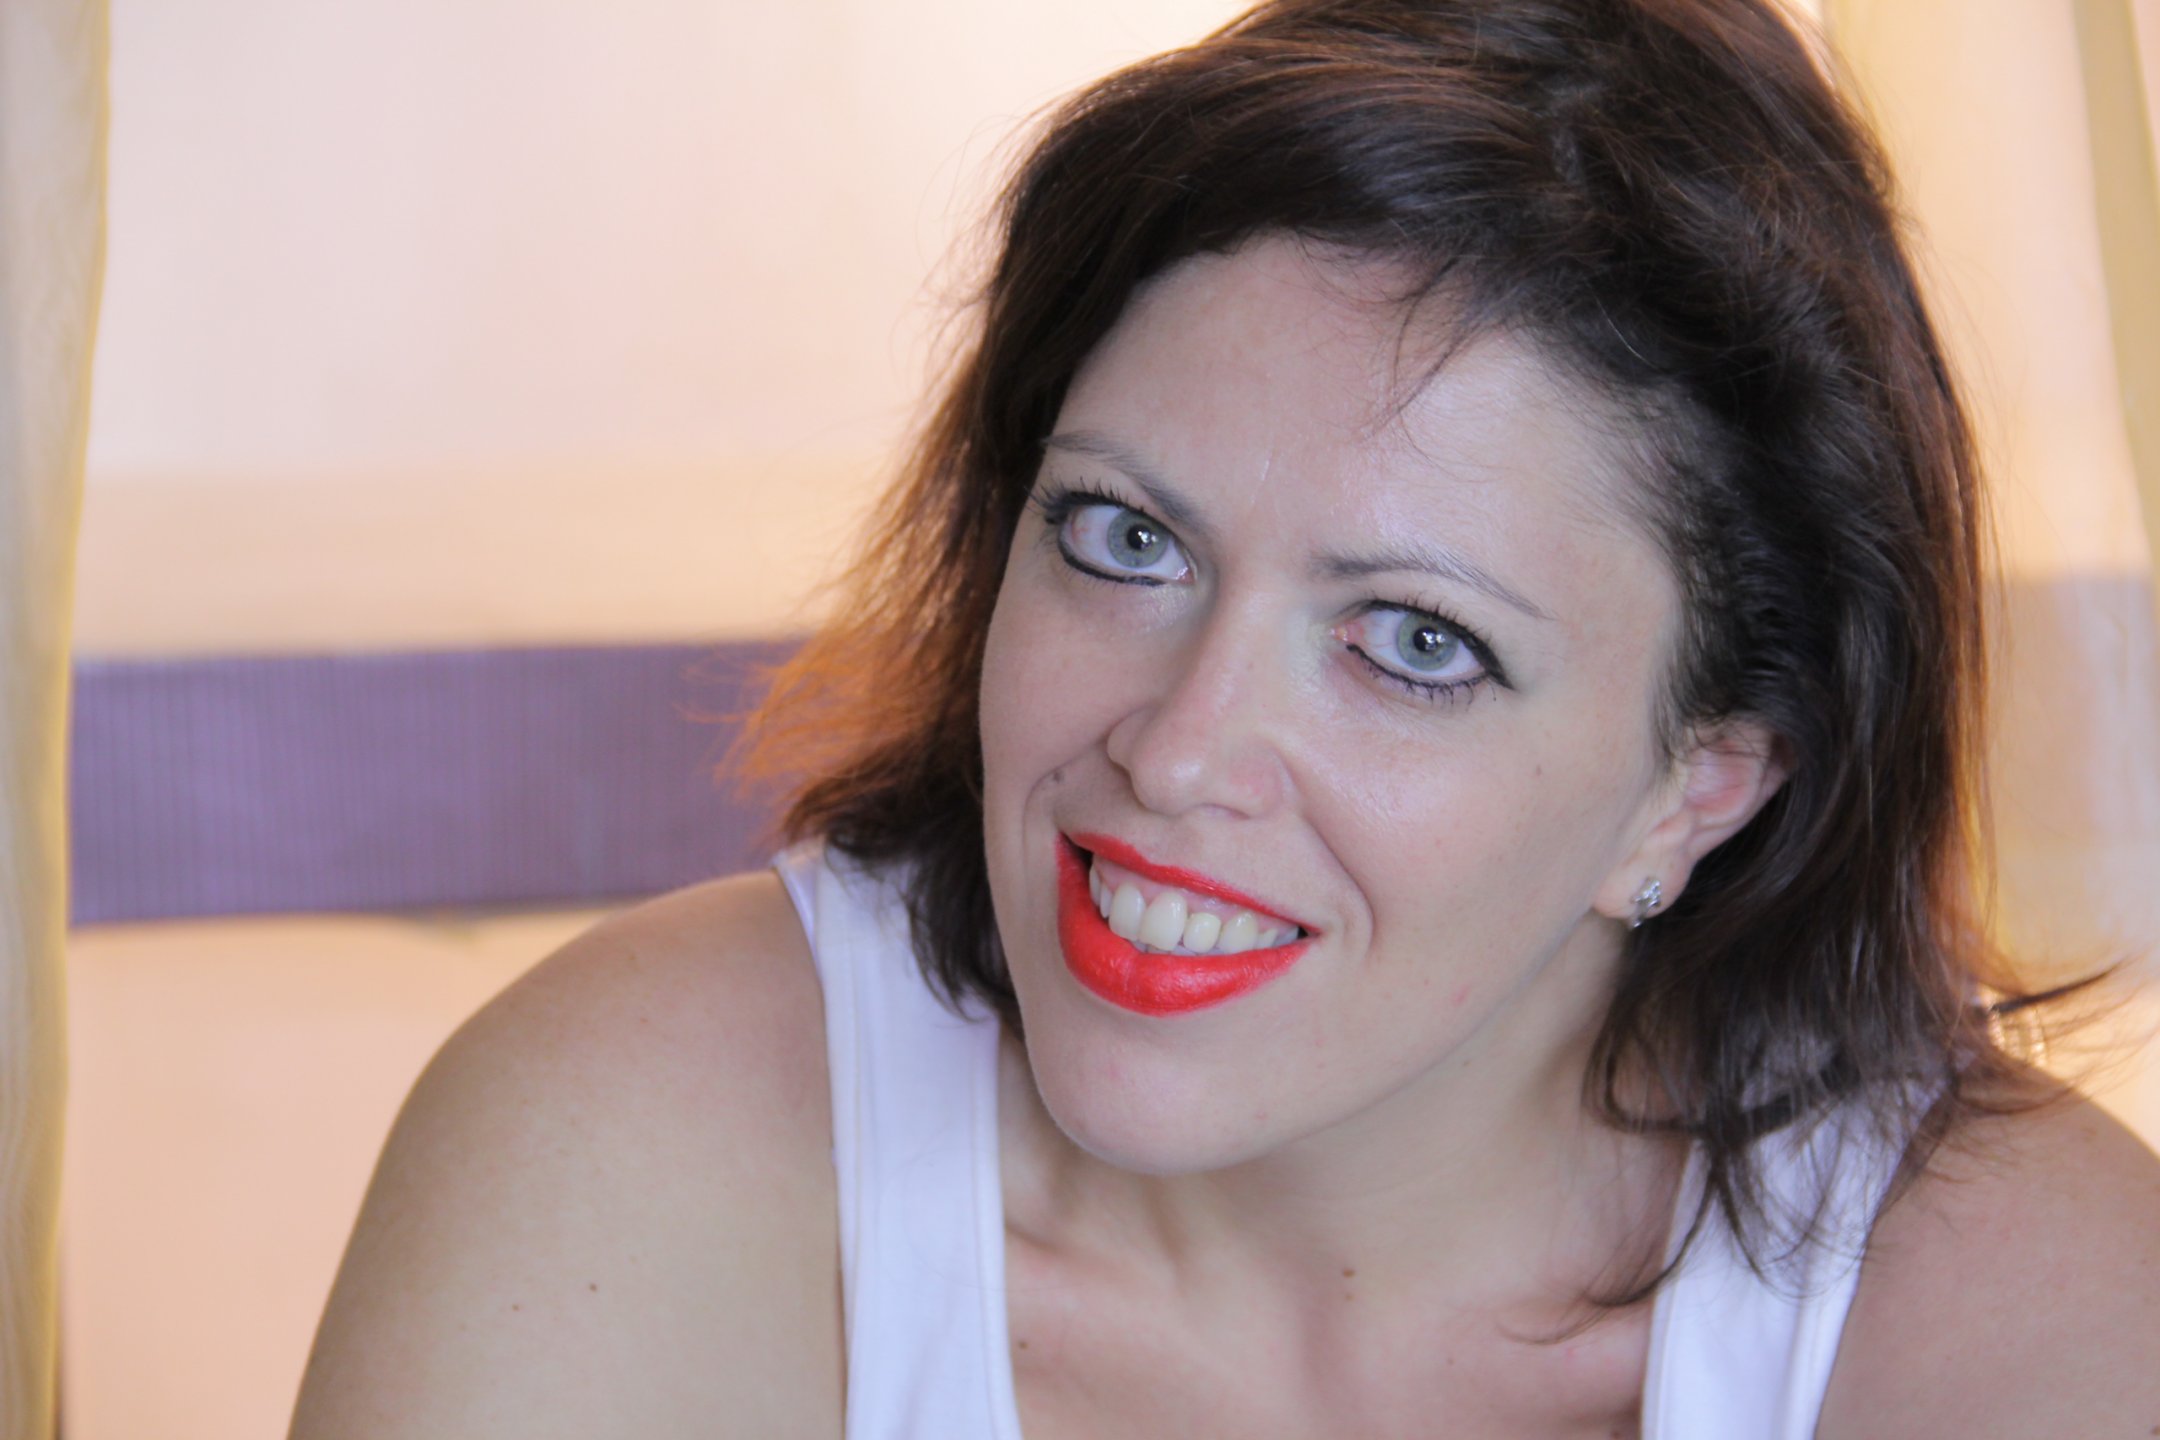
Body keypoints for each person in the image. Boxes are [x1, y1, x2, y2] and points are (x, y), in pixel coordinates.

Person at [290, 1, 2160, 1435]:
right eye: (1126, 538)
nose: (1175, 751)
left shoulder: (2038, 1317)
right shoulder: (625, 1143)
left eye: (1415, 643)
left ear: (1698, 789)